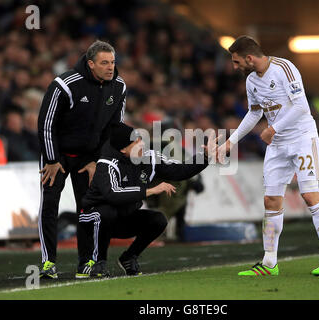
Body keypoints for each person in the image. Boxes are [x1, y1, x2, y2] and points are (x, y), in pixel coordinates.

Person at [217, 36, 319, 277]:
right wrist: (230, 142)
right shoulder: (251, 80)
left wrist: (274, 127)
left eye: (236, 61)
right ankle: (269, 263)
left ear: (249, 58)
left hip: (303, 138)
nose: (234, 67)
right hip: (277, 145)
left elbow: (302, 106)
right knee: (271, 201)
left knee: (310, 195)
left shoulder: (284, 68)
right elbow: (254, 114)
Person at [76, 123, 217, 278]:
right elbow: (113, 194)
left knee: (158, 220)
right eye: (136, 142)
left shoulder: (150, 157)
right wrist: (149, 190)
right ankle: (98, 262)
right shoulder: (107, 163)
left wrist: (205, 156)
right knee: (106, 212)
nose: (142, 144)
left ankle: (129, 257)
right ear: (123, 149)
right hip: (92, 219)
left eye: (140, 139)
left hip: (122, 218)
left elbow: (180, 170)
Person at [37, 40, 127, 279]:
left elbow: (114, 130)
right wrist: (53, 159)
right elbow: (46, 124)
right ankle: (48, 263)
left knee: (88, 209)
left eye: (113, 62)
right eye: (104, 63)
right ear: (91, 64)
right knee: (49, 204)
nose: (110, 67)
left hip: (88, 158)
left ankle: (85, 262)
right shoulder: (64, 84)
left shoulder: (119, 87)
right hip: (57, 155)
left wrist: (97, 160)